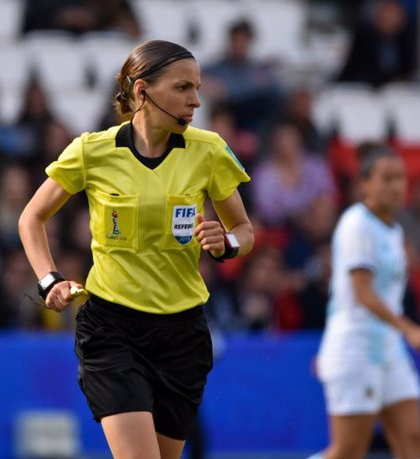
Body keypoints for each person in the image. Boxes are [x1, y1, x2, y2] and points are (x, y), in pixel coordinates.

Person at [18, 40, 254, 459]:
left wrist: (227, 243)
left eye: (197, 88)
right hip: (111, 329)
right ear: (142, 91)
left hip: (183, 335)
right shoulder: (92, 151)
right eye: (183, 88)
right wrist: (49, 279)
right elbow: (31, 218)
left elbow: (244, 230)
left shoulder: (209, 151)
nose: (195, 101)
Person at [309, 144, 420, 459]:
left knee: (412, 443)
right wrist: (410, 330)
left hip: (389, 350)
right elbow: (362, 293)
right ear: (365, 183)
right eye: (386, 178)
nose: (396, 186)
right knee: (348, 451)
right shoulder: (357, 224)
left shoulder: (393, 229)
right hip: (356, 348)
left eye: (400, 178)